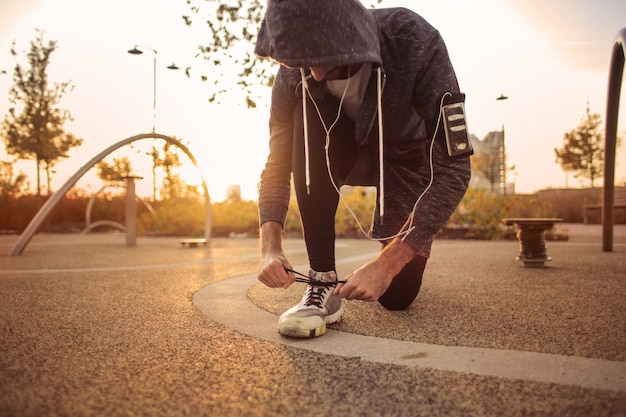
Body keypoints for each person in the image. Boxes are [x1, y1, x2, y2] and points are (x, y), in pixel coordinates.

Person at [254, 0, 471, 338]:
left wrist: (388, 263)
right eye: (306, 63)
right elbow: (277, 164)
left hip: (407, 158)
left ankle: (400, 250)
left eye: (329, 62)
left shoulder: (414, 41)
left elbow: (455, 168)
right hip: (339, 150)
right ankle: (321, 281)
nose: (318, 73)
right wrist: (270, 247)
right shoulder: (295, 71)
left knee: (397, 296)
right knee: (305, 112)